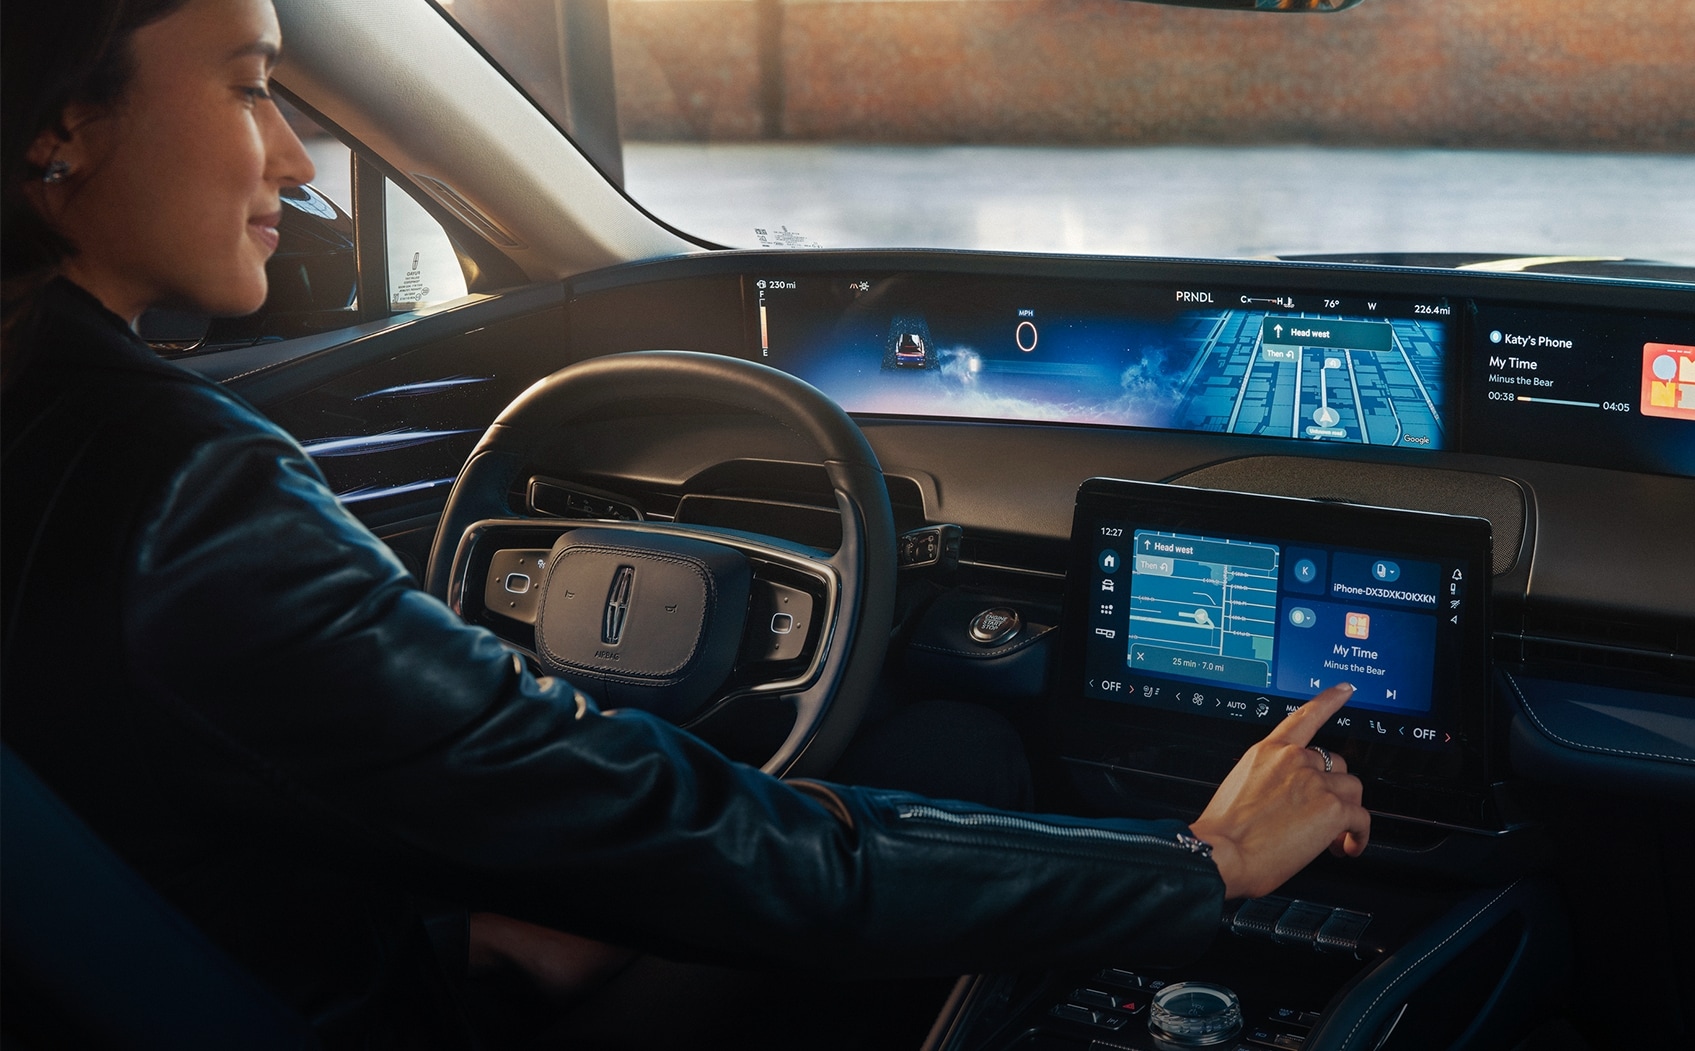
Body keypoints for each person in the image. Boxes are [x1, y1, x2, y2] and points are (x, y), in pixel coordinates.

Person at [0, 0, 1372, 1046]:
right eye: (252, 86)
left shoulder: (63, 425)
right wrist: (1199, 864)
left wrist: (447, 924)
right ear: (59, 122)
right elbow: (683, 837)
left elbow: (161, 821)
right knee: (958, 751)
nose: (297, 156)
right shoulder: (186, 491)